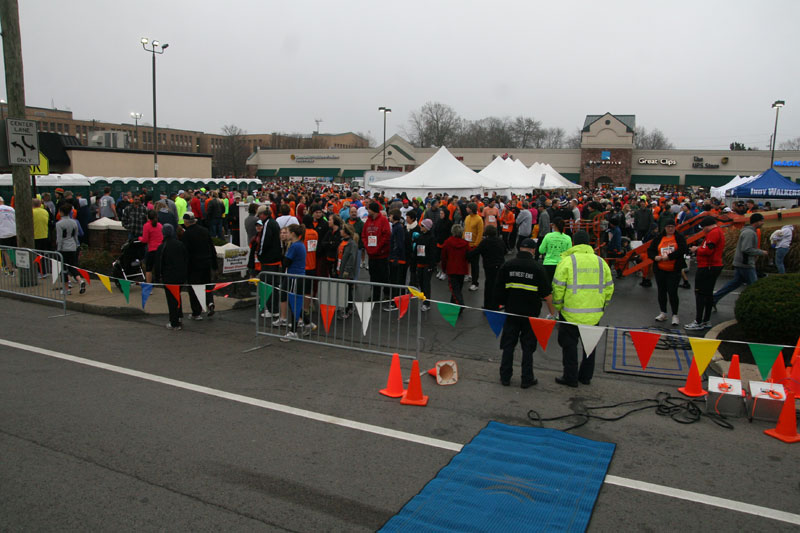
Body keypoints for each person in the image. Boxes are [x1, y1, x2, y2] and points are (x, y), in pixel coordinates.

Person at [552, 230, 614, 387]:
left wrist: (558, 307)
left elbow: (558, 288)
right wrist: (602, 307)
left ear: (574, 243)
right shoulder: (601, 262)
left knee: (569, 346)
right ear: (589, 243)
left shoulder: (567, 262)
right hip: (594, 315)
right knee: (590, 348)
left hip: (569, 313)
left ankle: (570, 377)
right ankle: (585, 377)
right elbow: (609, 288)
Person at [495, 238, 556, 388]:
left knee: (508, 345)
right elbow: (547, 295)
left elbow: (498, 289)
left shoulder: (508, 265)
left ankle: (505, 377)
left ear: (519, 248)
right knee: (528, 347)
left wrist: (504, 303)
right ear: (534, 250)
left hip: (512, 312)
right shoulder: (538, 268)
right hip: (530, 315)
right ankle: (527, 378)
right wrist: (552, 314)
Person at [711, 213, 768, 306]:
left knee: (734, 283)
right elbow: (746, 249)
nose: (763, 223)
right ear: (757, 222)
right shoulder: (749, 233)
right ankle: (755, 305)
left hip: (741, 262)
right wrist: (761, 252)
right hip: (745, 263)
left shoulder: (748, 231)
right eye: (762, 221)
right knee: (754, 286)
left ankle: (714, 298)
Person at [684, 216, 725, 331]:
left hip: (707, 267)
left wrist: (696, 249)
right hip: (713, 266)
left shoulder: (713, 233)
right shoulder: (718, 231)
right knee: (708, 294)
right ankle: (706, 320)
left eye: (703, 228)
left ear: (707, 226)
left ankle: (698, 321)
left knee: (700, 294)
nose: (703, 230)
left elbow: (708, 250)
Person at [647, 219, 689, 325]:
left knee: (672, 292)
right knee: (661, 291)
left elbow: (683, 249)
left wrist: (669, 257)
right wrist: (655, 257)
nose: (670, 228)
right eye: (668, 226)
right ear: (664, 228)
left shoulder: (679, 238)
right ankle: (663, 312)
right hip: (660, 269)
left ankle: (675, 315)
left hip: (674, 270)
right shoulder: (658, 238)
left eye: (672, 226)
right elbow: (650, 250)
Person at [180, 212, 217, 320]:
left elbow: (185, 252)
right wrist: (214, 265)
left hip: (194, 266)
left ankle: (197, 312)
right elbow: (212, 247)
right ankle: (210, 303)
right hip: (206, 263)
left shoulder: (187, 235)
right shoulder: (204, 231)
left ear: (186, 222)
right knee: (207, 285)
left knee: (194, 289)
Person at [155, 224, 188, 330]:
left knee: (171, 299)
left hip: (169, 276)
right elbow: (186, 259)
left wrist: (158, 276)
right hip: (181, 275)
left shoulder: (162, 246)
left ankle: (174, 322)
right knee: (177, 296)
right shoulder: (180, 244)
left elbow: (158, 263)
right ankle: (179, 317)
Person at [467, 225, 505, 310]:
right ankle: (496, 304)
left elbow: (476, 251)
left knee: (489, 286)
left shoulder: (485, 242)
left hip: (489, 266)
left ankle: (488, 305)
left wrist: (466, 254)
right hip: (500, 265)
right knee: (497, 285)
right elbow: (505, 251)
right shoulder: (500, 241)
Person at [361, 202, 391, 301]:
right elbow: (364, 235)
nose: (367, 211)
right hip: (371, 254)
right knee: (373, 276)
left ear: (373, 210)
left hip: (381, 254)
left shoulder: (383, 220)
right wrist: (367, 246)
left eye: (368, 209)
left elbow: (386, 236)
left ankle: (386, 294)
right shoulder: (368, 221)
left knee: (384, 276)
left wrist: (378, 247)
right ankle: (375, 295)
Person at [55, 202, 86, 294]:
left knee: (64, 268)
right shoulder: (74, 222)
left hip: (64, 248)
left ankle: (66, 289)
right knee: (72, 266)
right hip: (73, 246)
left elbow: (59, 238)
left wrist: (58, 249)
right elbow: (76, 236)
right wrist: (77, 245)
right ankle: (80, 280)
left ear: (61, 212)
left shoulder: (59, 224)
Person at [441, 224, 469, 309]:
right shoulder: (465, 243)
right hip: (462, 269)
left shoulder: (447, 242)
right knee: (458, 289)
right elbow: (468, 256)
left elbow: (444, 257)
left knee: (454, 289)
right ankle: (453, 305)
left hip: (452, 269)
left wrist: (444, 269)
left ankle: (460, 304)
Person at [537, 217, 573, 283]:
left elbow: (541, 250)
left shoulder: (548, 236)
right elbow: (569, 253)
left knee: (548, 286)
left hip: (548, 264)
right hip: (562, 265)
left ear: (554, 225)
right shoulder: (567, 238)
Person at [414, 218, 437, 312]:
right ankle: (423, 299)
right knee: (421, 282)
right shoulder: (420, 236)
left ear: (427, 227)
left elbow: (433, 253)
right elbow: (417, 249)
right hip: (420, 263)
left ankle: (427, 303)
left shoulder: (431, 238)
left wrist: (431, 266)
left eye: (422, 226)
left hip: (427, 264)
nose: (421, 227)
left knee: (426, 284)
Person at [336, 223, 358, 318]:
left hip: (347, 272)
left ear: (346, 232)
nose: (340, 231)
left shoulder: (352, 244)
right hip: (340, 268)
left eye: (342, 230)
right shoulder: (342, 242)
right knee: (343, 290)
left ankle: (348, 308)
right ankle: (345, 307)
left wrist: (347, 270)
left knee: (347, 291)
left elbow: (351, 258)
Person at [463, 202, 484, 291]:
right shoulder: (467, 218)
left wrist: (476, 245)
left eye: (467, 207)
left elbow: (480, 233)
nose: (466, 209)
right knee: (466, 262)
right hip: (466, 244)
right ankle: (468, 275)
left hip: (474, 246)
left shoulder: (479, 219)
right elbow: (465, 230)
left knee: (475, 265)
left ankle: (475, 283)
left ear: (471, 209)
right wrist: (463, 240)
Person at [140, 209, 164, 283]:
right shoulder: (160, 225)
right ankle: (159, 280)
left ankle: (148, 286)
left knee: (149, 268)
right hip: (160, 249)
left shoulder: (146, 226)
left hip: (152, 249)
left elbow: (145, 240)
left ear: (148, 217)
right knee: (159, 266)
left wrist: (139, 238)